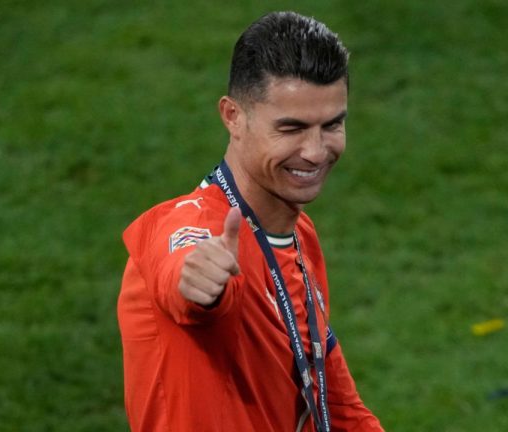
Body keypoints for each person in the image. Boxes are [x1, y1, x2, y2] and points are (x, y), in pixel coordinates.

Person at [117, 11, 384, 432]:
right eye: (291, 128)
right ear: (232, 117)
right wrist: (198, 285)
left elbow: (336, 402)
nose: (315, 152)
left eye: (332, 124)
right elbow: (183, 273)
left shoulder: (300, 237)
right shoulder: (184, 225)